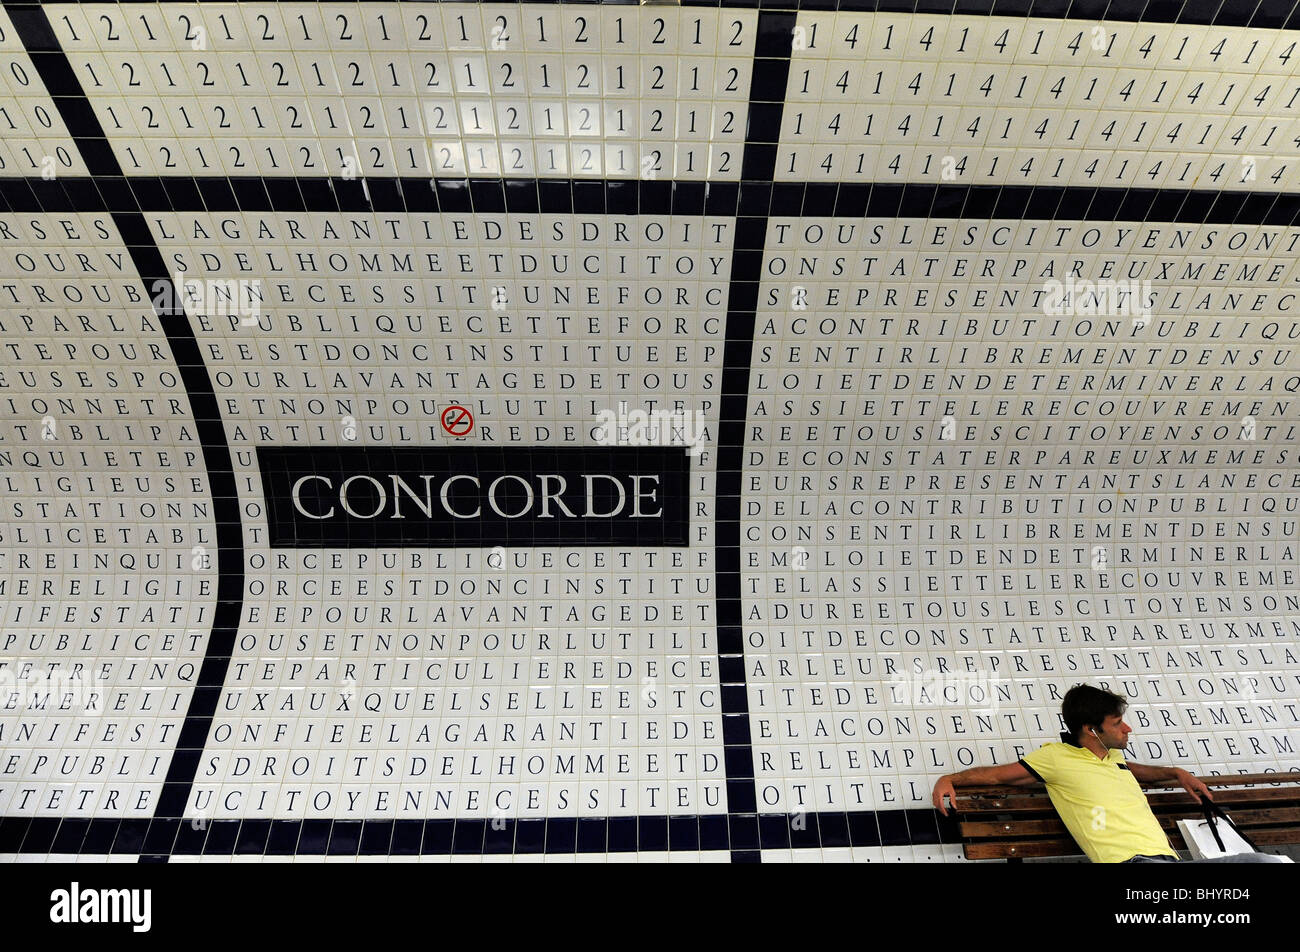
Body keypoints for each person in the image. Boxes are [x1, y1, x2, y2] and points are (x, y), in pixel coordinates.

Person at [931, 684, 1289, 863]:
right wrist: (949, 780)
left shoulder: (1112, 761)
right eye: (1117, 724)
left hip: (1169, 862)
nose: (1127, 729)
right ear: (1092, 729)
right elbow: (998, 777)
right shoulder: (1056, 759)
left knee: (1269, 863)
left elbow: (1140, 772)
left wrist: (1177, 772)